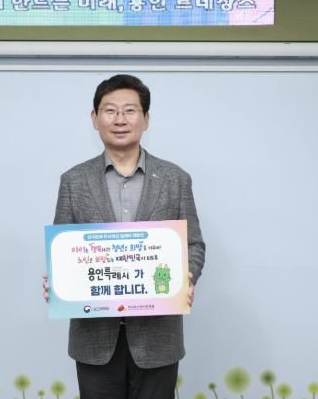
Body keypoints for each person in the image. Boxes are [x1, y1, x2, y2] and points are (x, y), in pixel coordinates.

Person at [43, 74, 205, 399]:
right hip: (94, 340)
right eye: (110, 111)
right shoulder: (73, 181)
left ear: (146, 119)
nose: (120, 120)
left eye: (130, 110)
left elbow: (194, 244)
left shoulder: (175, 179)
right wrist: (59, 280)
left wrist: (186, 277)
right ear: (95, 118)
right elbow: (62, 247)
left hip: (158, 338)